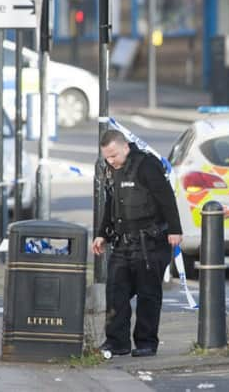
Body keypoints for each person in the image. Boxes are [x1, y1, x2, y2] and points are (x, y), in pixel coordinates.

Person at [91, 130, 183, 357]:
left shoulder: (146, 165)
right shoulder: (112, 170)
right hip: (122, 242)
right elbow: (111, 203)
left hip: (149, 241)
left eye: (113, 156)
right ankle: (117, 342)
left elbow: (166, 197)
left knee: (148, 294)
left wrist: (174, 230)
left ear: (125, 147)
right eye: (106, 157)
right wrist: (102, 233)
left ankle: (146, 343)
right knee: (115, 292)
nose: (110, 161)